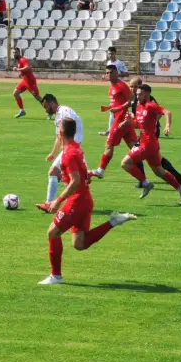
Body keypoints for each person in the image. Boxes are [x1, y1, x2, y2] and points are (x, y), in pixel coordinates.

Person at [38, 117, 137, 285]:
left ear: (60, 133)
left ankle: (56, 276)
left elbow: (75, 181)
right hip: (85, 200)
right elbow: (81, 173)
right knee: (79, 243)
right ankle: (114, 222)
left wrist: (57, 201)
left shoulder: (68, 153)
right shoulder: (76, 148)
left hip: (77, 201)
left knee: (52, 233)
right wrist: (89, 174)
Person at [121, 84, 181, 204]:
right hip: (149, 144)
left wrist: (167, 126)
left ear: (147, 94)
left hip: (147, 144)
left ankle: (146, 183)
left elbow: (167, 112)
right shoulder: (138, 106)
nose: (138, 96)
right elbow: (139, 124)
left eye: (140, 94)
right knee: (159, 171)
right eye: (137, 94)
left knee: (125, 163)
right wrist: (129, 123)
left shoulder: (151, 105)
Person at [129, 76, 181, 186]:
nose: (132, 89)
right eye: (131, 86)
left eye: (135, 86)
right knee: (155, 158)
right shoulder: (135, 99)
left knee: (139, 155)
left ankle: (143, 181)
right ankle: (178, 177)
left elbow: (160, 113)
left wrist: (150, 124)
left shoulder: (148, 99)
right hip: (144, 132)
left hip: (152, 132)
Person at [36, 94, 84, 213]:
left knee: (55, 172)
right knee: (78, 178)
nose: (46, 110)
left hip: (72, 149)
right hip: (69, 149)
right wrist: (53, 153)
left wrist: (71, 146)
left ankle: (49, 204)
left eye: (46, 107)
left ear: (52, 103)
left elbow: (71, 127)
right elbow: (59, 137)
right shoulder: (58, 116)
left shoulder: (65, 111)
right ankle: (74, 202)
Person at [89, 64, 136, 179]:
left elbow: (131, 100)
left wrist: (119, 109)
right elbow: (116, 103)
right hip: (124, 120)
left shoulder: (121, 85)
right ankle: (155, 163)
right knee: (135, 148)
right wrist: (108, 108)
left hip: (121, 119)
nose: (109, 75)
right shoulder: (112, 87)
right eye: (107, 73)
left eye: (111, 72)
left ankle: (100, 170)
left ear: (116, 73)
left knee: (109, 145)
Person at [98, 46, 129, 136]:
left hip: (120, 89)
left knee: (118, 110)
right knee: (113, 110)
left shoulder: (119, 63)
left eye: (112, 53)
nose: (110, 55)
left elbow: (127, 73)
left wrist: (117, 74)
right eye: (109, 54)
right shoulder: (108, 62)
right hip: (114, 88)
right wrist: (105, 76)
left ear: (115, 53)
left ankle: (112, 130)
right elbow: (108, 74)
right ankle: (111, 130)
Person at [12, 47, 43, 118]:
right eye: (13, 53)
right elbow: (25, 70)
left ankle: (49, 111)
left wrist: (18, 69)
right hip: (25, 81)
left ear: (19, 53)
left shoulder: (23, 59)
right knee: (15, 93)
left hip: (30, 81)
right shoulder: (18, 60)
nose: (14, 54)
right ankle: (22, 110)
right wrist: (21, 73)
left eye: (16, 52)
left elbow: (28, 67)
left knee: (38, 97)